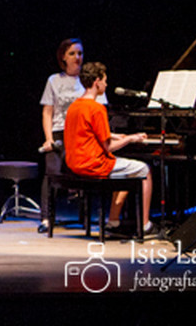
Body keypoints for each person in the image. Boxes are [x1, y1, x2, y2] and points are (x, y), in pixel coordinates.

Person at [63, 61, 153, 234]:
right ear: (97, 82)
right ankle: (145, 224)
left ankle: (113, 222)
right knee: (144, 170)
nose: (106, 84)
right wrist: (132, 139)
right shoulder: (97, 108)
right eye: (104, 80)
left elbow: (86, 131)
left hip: (75, 163)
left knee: (126, 169)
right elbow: (109, 147)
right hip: (93, 165)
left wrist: (116, 135)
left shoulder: (75, 105)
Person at [37, 38, 107, 232]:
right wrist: (49, 137)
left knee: (85, 171)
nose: (77, 57)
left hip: (83, 134)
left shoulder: (88, 80)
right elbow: (47, 112)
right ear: (63, 57)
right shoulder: (54, 80)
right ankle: (46, 218)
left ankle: (86, 217)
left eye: (80, 53)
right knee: (51, 170)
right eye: (72, 53)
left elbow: (100, 108)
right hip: (60, 131)